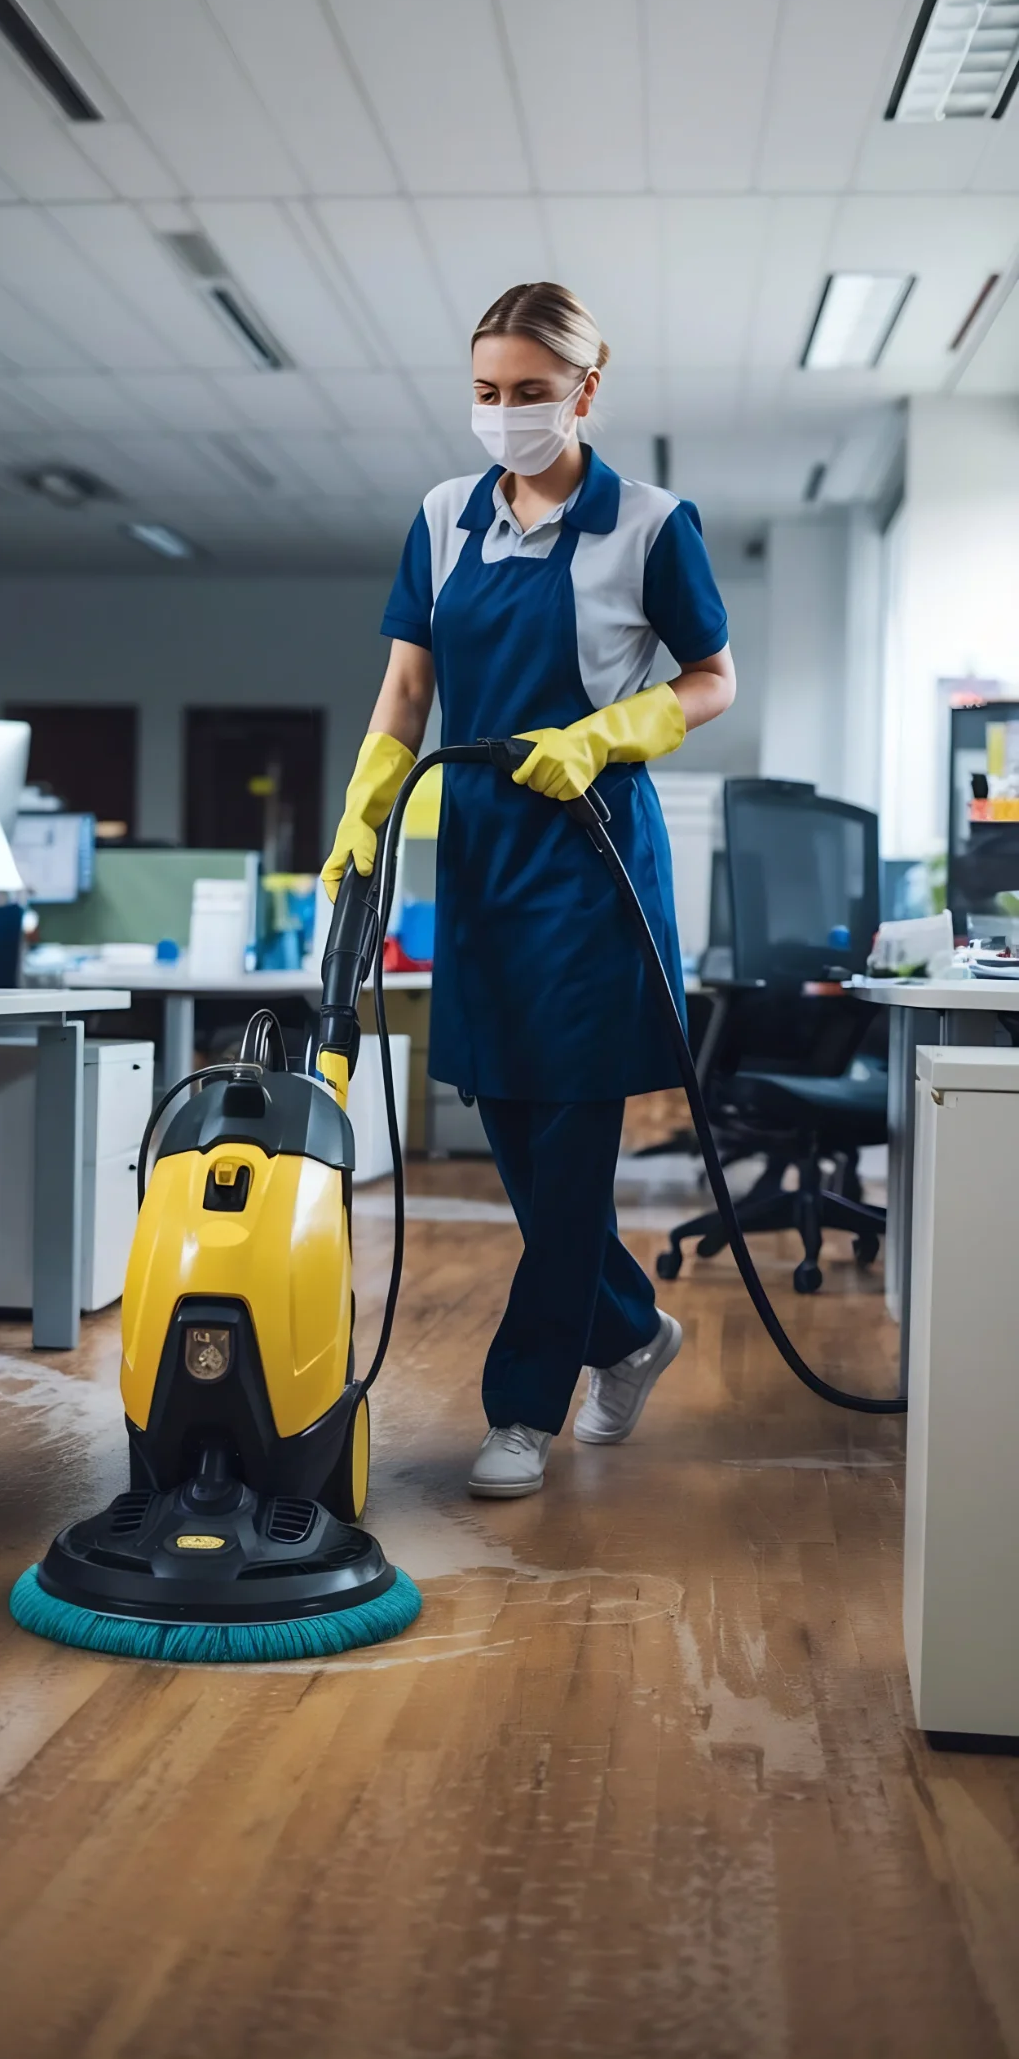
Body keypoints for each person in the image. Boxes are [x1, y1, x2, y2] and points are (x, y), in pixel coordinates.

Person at [322, 282, 735, 1499]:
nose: (503, 415)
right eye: (487, 394)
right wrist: (365, 804)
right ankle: (630, 1327)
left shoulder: (650, 524)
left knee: (567, 1149)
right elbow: (408, 692)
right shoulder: (444, 519)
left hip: (595, 860)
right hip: (485, 864)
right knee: (504, 1121)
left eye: (529, 394)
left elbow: (712, 677)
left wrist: (610, 733)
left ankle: (521, 1408)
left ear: (585, 393)